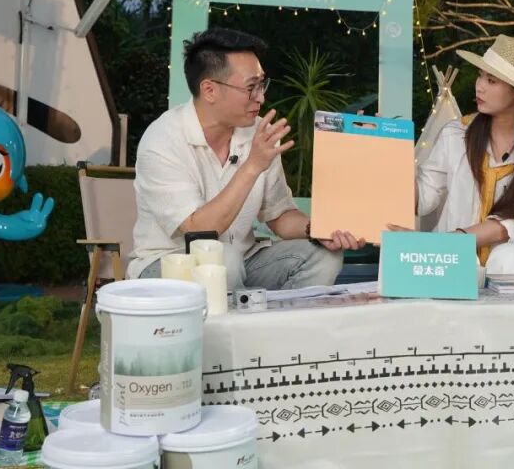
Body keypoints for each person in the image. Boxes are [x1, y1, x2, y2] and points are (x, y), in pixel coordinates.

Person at [127, 28, 362, 288]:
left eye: (262, 84)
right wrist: (252, 165)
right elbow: (198, 230)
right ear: (210, 90)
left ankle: (282, 318)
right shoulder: (162, 140)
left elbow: (280, 215)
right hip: (169, 263)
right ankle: (234, 316)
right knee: (221, 262)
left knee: (322, 255)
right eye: (251, 87)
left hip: (242, 259)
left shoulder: (258, 133)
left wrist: (319, 229)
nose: (261, 97)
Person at [401, 35, 514, 274]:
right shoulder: (456, 134)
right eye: (480, 75)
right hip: (449, 266)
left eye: (491, 80)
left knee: (507, 256)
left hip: (508, 275)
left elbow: (512, 225)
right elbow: (425, 196)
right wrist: (391, 159)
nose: (479, 86)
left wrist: (444, 242)